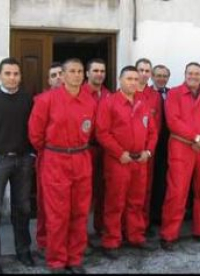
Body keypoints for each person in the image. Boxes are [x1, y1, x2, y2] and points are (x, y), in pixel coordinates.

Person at [29, 58, 96, 273]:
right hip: (56, 159)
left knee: (80, 211)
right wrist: (52, 151)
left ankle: (74, 258)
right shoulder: (46, 100)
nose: (76, 75)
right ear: (63, 75)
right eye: (71, 71)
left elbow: (91, 130)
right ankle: (56, 260)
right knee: (58, 214)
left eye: (79, 71)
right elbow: (35, 135)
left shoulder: (90, 101)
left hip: (81, 158)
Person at [96, 66, 158, 259]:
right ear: (120, 80)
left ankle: (135, 236)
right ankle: (111, 241)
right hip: (118, 161)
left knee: (136, 201)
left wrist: (148, 151)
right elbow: (102, 133)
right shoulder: (109, 102)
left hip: (140, 160)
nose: (133, 82)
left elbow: (153, 131)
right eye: (129, 78)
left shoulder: (144, 102)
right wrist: (118, 153)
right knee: (115, 202)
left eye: (135, 79)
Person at [0, 57, 35, 273]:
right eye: (8, 74)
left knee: (22, 209)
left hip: (23, 160)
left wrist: (32, 153)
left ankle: (23, 252)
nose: (12, 78)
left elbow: (34, 128)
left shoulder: (28, 99)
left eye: (16, 74)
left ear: (20, 76)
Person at [160, 62, 200, 251]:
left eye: (196, 73)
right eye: (190, 73)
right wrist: (195, 137)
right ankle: (169, 234)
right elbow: (173, 121)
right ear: (184, 74)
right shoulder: (174, 94)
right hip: (182, 147)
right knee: (177, 192)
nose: (193, 76)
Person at [36, 62, 64, 259]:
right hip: (48, 156)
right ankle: (44, 240)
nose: (58, 78)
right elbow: (35, 133)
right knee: (45, 203)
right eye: (53, 75)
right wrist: (46, 151)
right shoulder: (40, 100)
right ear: (48, 80)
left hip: (72, 158)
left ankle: (66, 243)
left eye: (61, 74)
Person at [83, 58, 111, 237]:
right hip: (86, 149)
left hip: (106, 149)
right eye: (95, 70)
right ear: (87, 73)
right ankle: (81, 234)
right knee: (84, 194)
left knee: (104, 191)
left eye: (102, 71)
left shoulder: (109, 95)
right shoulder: (79, 93)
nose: (99, 74)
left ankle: (100, 229)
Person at [135, 58, 162, 232]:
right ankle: (125, 227)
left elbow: (156, 126)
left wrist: (149, 150)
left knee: (145, 190)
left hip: (147, 152)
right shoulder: (124, 91)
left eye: (147, 71)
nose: (144, 74)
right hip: (127, 152)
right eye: (141, 70)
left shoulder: (155, 96)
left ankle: (142, 225)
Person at [150, 65, 171, 226]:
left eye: (164, 76)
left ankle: (164, 213)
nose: (161, 78)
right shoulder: (147, 94)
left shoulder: (172, 94)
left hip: (170, 142)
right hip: (152, 143)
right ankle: (152, 215)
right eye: (158, 75)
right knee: (153, 180)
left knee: (166, 179)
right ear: (152, 76)